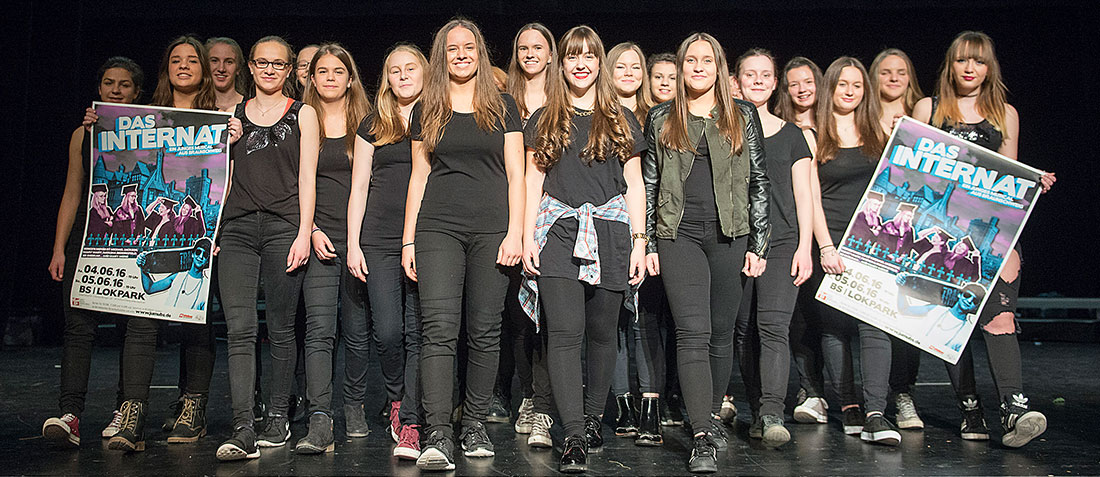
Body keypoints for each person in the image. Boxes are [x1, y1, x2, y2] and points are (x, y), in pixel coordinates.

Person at [94, 36, 240, 452]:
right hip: (153, 241)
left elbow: (230, 182)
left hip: (200, 240)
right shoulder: (142, 120)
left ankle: (193, 407)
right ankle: (133, 412)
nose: (184, 65)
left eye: (192, 59)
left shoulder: (221, 120)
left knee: (195, 320)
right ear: (167, 69)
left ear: (203, 69)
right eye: (176, 59)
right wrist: (98, 124)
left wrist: (216, 230)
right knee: (142, 320)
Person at [912, 32, 1054, 448]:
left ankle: (1013, 409)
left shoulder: (1005, 114)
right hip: (942, 235)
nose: (970, 68)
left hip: (993, 236)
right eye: (962, 60)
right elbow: (913, 169)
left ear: (990, 68)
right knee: (951, 322)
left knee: (1000, 318)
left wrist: (1032, 181)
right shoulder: (928, 109)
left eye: (978, 61)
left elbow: (1011, 179)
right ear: (950, 65)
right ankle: (970, 407)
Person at [518, 25, 646, 473]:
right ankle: (572, 434)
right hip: (558, 232)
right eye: (573, 56)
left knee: (603, 333)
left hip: (610, 233)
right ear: (562, 63)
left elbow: (634, 185)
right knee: (564, 333)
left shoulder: (621, 118)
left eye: (589, 56)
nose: (581, 64)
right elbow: (533, 180)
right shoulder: (544, 118)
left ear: (599, 63)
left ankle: (592, 420)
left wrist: (639, 243)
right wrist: (527, 236)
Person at [643, 33, 769, 473]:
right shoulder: (661, 116)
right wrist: (648, 240)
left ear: (719, 67)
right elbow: (650, 183)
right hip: (678, 236)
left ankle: (711, 416)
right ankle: (700, 436)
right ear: (680, 68)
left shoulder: (743, 114)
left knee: (720, 333)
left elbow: (759, 181)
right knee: (692, 331)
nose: (698, 68)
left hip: (730, 235)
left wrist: (759, 242)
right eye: (690, 61)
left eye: (706, 60)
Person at [402, 18, 524, 471]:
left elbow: (516, 175)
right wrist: (408, 240)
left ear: (479, 52)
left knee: (484, 330)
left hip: (492, 230)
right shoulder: (427, 108)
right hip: (438, 228)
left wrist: (516, 232)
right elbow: (419, 177)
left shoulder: (503, 106)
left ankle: (473, 423)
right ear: (442, 56)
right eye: (452, 48)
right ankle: (437, 431)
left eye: (468, 47)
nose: (460, 54)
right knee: (438, 329)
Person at [215, 35, 318, 461]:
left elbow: (308, 177)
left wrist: (304, 231)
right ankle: (243, 426)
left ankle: (278, 417)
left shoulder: (303, 113)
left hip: (283, 227)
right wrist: (212, 231)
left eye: (278, 63)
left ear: (288, 68)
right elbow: (218, 177)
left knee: (280, 328)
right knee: (239, 329)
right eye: (262, 62)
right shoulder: (232, 115)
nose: (270, 70)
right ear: (251, 67)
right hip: (237, 229)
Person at [42, 56, 150, 448]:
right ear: (99, 87)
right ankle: (70, 415)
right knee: (78, 326)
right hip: (85, 241)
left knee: (131, 328)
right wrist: (59, 248)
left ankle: (125, 410)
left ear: (136, 92)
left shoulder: (150, 136)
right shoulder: (82, 134)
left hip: (130, 242)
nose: (115, 90)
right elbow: (72, 192)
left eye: (124, 84)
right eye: (109, 83)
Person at [808, 56, 899, 447]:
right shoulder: (813, 134)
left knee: (875, 325)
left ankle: (876, 412)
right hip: (830, 241)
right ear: (830, 88)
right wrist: (825, 246)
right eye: (842, 84)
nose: (850, 91)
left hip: (873, 243)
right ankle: (849, 407)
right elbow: (810, 198)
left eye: (857, 85)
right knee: (835, 328)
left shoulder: (881, 131)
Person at [729, 48, 815, 448]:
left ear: (775, 82)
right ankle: (755, 409)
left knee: (774, 326)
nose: (759, 80)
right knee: (743, 331)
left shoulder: (793, 135)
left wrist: (805, 247)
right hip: (737, 241)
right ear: (736, 81)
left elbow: (804, 196)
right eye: (751, 74)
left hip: (782, 243)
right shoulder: (725, 132)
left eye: (766, 74)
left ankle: (772, 412)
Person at [346, 43, 427, 460]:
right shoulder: (373, 124)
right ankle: (397, 398)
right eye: (395, 70)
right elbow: (359, 186)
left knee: (419, 331)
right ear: (386, 79)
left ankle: (412, 414)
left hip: (427, 235)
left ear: (425, 72)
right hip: (378, 237)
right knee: (389, 331)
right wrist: (353, 243)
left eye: (411, 68)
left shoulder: (440, 117)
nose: (403, 76)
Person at [294, 42, 372, 454]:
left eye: (338, 71)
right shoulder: (300, 120)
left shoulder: (369, 121)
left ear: (350, 78)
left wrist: (359, 239)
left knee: (357, 332)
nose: (329, 77)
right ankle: (320, 416)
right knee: (320, 330)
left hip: (359, 238)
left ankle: (354, 405)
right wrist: (311, 229)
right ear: (311, 77)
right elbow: (291, 182)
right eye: (321, 71)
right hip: (318, 236)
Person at [498, 22, 558, 448]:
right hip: (507, 210)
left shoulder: (563, 100)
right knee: (516, 314)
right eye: (523, 48)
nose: (531, 53)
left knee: (548, 315)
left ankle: (543, 399)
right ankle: (523, 395)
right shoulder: (505, 100)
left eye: (538, 47)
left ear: (551, 54)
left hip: (554, 213)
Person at [772, 56, 830, 425]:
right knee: (798, 319)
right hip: (799, 233)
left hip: (837, 230)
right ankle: (810, 390)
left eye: (808, 81)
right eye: (793, 83)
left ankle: (847, 400)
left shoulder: (835, 126)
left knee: (828, 322)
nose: (802, 89)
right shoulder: (781, 129)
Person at [137, 238, 213, 310]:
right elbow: (150, 288)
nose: (200, 257)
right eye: (198, 252)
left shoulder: (206, 286)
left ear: (207, 260)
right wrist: (143, 267)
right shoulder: (178, 275)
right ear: (193, 254)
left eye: (205, 255)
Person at [871, 48, 924, 134]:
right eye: (885, 73)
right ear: (875, 77)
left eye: (901, 73)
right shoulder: (863, 113)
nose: (894, 78)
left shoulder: (922, 111)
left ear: (910, 77)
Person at [775, 57, 822, 130]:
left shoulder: (833, 124)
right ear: (786, 90)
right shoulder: (778, 127)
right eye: (794, 85)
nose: (802, 89)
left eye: (808, 82)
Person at [207, 37, 246, 111]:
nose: (221, 69)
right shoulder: (196, 105)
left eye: (229, 62)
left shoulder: (250, 107)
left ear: (238, 67)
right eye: (214, 61)